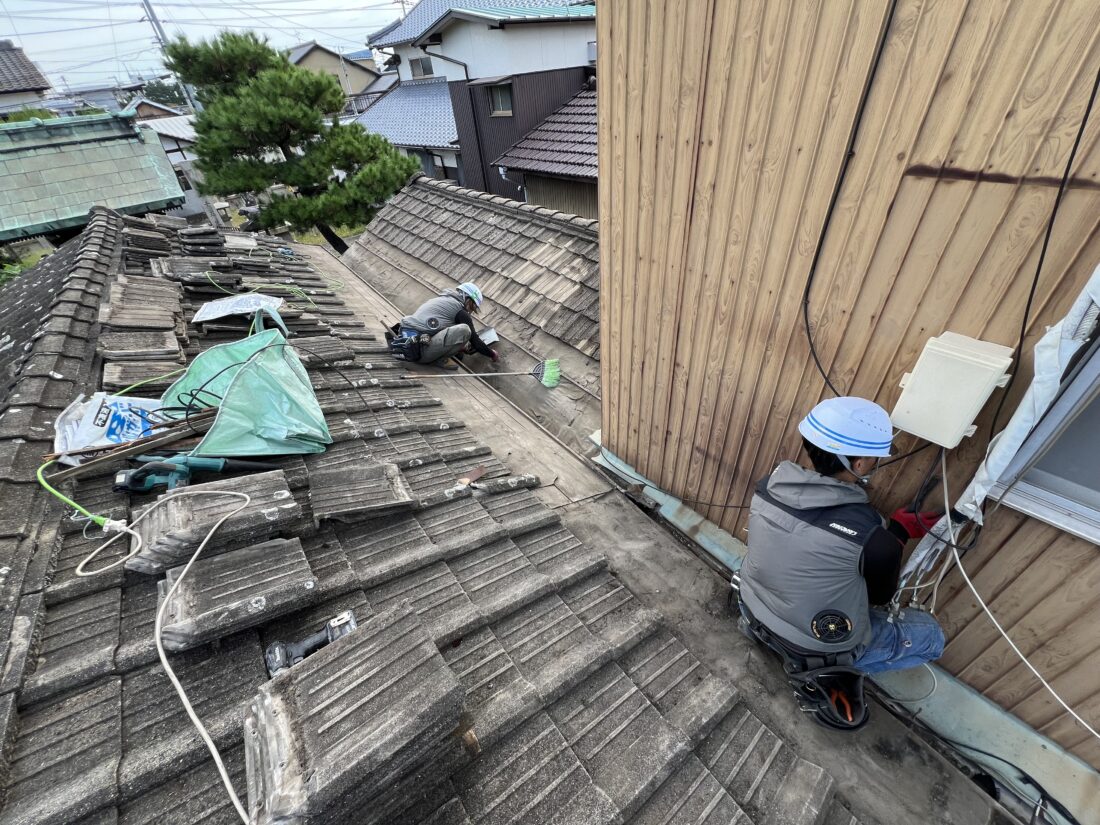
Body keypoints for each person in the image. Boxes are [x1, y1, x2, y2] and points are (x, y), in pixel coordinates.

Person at [737, 396, 945, 675]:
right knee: (933, 637)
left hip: (750, 603)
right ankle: (831, 675)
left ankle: (773, 641)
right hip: (814, 645)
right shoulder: (873, 538)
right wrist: (897, 532)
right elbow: (879, 597)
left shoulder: (768, 486)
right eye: (874, 458)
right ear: (859, 464)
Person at [397, 283, 500, 368]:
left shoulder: (443, 300)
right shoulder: (460, 311)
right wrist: (492, 354)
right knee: (465, 330)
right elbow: (476, 342)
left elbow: (435, 329)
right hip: (418, 352)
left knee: (459, 353)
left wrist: (461, 347)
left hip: (405, 339)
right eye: (472, 307)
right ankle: (439, 360)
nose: (471, 311)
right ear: (467, 299)